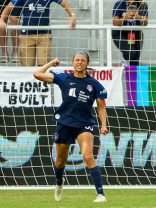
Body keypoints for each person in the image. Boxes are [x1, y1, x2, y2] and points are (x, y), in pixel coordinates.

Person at [33, 51, 108, 203]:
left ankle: (101, 194)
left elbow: (101, 107)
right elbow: (37, 74)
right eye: (76, 60)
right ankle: (59, 184)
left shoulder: (95, 84)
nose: (79, 62)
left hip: (84, 124)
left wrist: (104, 125)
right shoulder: (64, 78)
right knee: (61, 160)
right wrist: (51, 62)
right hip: (65, 123)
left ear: (87, 63)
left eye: (82, 60)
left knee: (88, 156)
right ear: (73, 62)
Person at [0, 0, 76, 66]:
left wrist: (72, 15)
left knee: (44, 65)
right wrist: (2, 20)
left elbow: (63, 2)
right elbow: (9, 7)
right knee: (26, 66)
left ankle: (43, 82)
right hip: (26, 36)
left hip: (44, 35)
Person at [112, 0, 148, 66]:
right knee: (130, 53)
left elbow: (145, 23)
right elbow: (115, 22)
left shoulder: (142, 4)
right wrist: (124, 18)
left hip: (135, 32)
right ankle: (126, 60)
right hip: (120, 32)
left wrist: (139, 17)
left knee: (135, 60)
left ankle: (132, 75)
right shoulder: (119, 3)